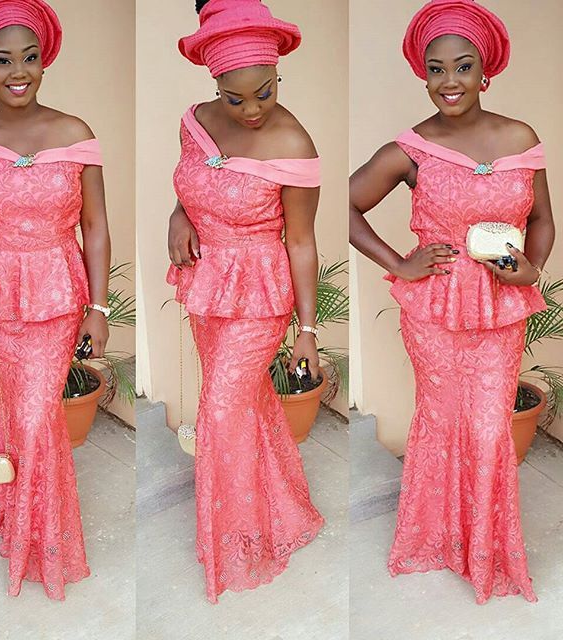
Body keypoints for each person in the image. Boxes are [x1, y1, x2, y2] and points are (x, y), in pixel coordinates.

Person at [349, 0, 554, 604]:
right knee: (441, 419)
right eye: (435, 69)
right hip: (434, 308)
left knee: (489, 427)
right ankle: (435, 539)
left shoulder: (521, 138)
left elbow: (543, 219)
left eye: (462, 66)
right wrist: (399, 263)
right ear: (423, 74)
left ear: (485, 70)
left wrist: (532, 270)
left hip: (500, 306)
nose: (449, 82)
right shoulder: (412, 148)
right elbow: (343, 205)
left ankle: (485, 551)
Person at [0, 0, 111, 600]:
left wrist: (99, 308)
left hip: (56, 295)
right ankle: (5, 506)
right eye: (3, 60)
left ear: (44, 61)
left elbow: (95, 226)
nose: (19, 71)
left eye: (30, 57)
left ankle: (41, 546)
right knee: (10, 402)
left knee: (38, 415)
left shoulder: (76, 135)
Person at [166, 0, 324, 604]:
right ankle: (283, 512)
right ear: (214, 85)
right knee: (246, 403)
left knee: (222, 410)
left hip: (260, 292)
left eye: (265, 92)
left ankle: (235, 543)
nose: (253, 110)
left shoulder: (293, 142)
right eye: (235, 99)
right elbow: (192, 183)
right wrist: (179, 215)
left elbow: (302, 241)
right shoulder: (193, 122)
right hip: (206, 284)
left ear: (278, 73)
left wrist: (307, 329)